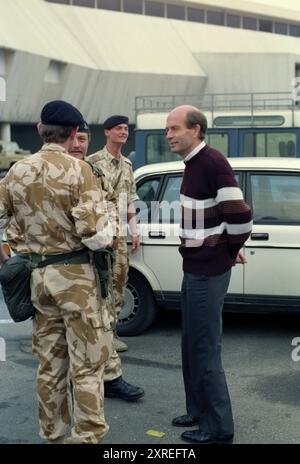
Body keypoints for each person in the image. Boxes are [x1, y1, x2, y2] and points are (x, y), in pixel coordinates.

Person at [0, 100, 115, 444]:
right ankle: (90, 437)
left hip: (38, 278)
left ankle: (54, 436)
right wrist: (109, 224)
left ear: (40, 129)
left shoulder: (17, 171)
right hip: (76, 280)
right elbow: (95, 237)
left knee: (50, 365)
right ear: (74, 134)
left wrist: (5, 257)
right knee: (88, 365)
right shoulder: (81, 171)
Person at [166, 105, 253, 445]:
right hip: (194, 268)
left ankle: (218, 429)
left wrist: (228, 250)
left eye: (175, 128)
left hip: (207, 271)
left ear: (196, 130)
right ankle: (198, 410)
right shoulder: (192, 165)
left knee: (205, 349)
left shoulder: (213, 162)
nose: (169, 135)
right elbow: (217, 215)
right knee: (190, 344)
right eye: (167, 130)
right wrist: (224, 243)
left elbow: (241, 216)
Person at [69, 120, 145, 402]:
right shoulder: (91, 162)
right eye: (119, 129)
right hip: (96, 239)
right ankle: (98, 366)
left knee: (118, 285)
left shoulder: (126, 164)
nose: (124, 133)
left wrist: (133, 229)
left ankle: (110, 337)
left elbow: (128, 201)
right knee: (97, 298)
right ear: (107, 133)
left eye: (127, 129)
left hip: (118, 235)